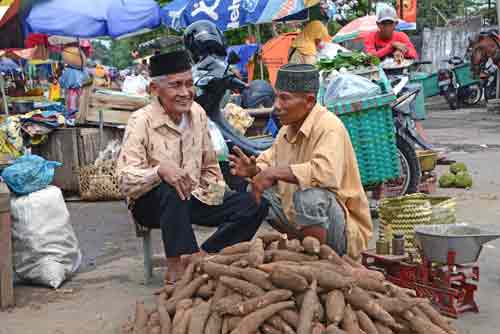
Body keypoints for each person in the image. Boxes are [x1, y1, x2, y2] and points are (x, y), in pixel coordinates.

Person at [117, 50, 269, 282]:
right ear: (155, 90)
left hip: (194, 196)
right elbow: (125, 180)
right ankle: (176, 267)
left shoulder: (197, 113)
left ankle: (204, 256)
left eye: (189, 84)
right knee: (172, 185)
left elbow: (209, 164)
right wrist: (159, 171)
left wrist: (219, 193)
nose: (185, 92)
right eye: (176, 85)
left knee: (254, 203)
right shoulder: (141, 121)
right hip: (151, 204)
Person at [229, 64, 373, 258]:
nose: (276, 106)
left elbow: (325, 173)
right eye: (276, 97)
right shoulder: (285, 132)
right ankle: (300, 249)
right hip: (299, 219)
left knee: (310, 196)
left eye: (284, 98)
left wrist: (272, 173)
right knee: (254, 192)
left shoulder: (329, 127)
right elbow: (267, 163)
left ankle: (318, 258)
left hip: (343, 232)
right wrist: (254, 170)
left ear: (309, 101)